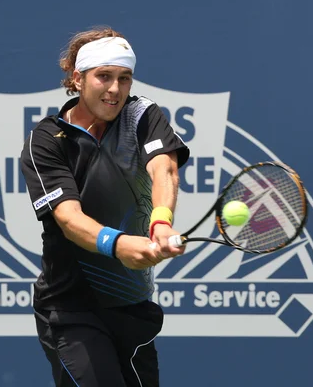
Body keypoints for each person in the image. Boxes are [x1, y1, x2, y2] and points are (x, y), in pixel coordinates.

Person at [20, 26, 190, 387]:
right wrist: (118, 245)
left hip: (132, 304)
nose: (115, 89)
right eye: (104, 77)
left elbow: (165, 167)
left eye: (124, 78)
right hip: (71, 309)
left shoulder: (142, 115)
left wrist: (160, 223)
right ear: (78, 79)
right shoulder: (47, 140)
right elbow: (68, 219)